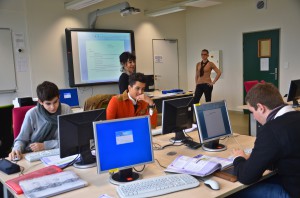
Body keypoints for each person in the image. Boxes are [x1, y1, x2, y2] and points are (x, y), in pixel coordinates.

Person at [231, 83, 300, 198]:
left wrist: (239, 158)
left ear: (261, 108)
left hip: (294, 193)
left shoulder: (272, 130)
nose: (254, 117)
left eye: (253, 112)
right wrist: (256, 158)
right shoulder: (296, 116)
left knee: (235, 192)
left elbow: (246, 177)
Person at [9, 81, 71, 160]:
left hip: (60, 153)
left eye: (55, 102)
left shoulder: (66, 109)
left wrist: (45, 145)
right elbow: (21, 139)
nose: (53, 107)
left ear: (59, 97)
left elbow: (70, 140)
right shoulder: (32, 114)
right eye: (48, 104)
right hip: (35, 154)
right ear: (40, 102)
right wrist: (16, 149)